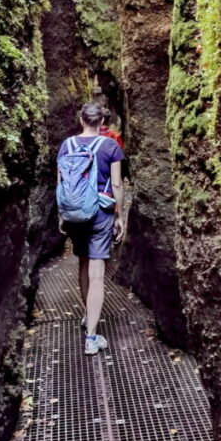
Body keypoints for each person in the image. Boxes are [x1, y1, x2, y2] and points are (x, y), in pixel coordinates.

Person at [57, 102, 125, 356]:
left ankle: (88, 314)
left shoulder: (67, 145)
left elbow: (61, 182)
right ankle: (92, 337)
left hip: (75, 214)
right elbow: (117, 184)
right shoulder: (110, 146)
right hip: (100, 213)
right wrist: (119, 216)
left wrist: (62, 215)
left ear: (81, 119)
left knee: (83, 264)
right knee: (97, 273)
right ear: (101, 121)